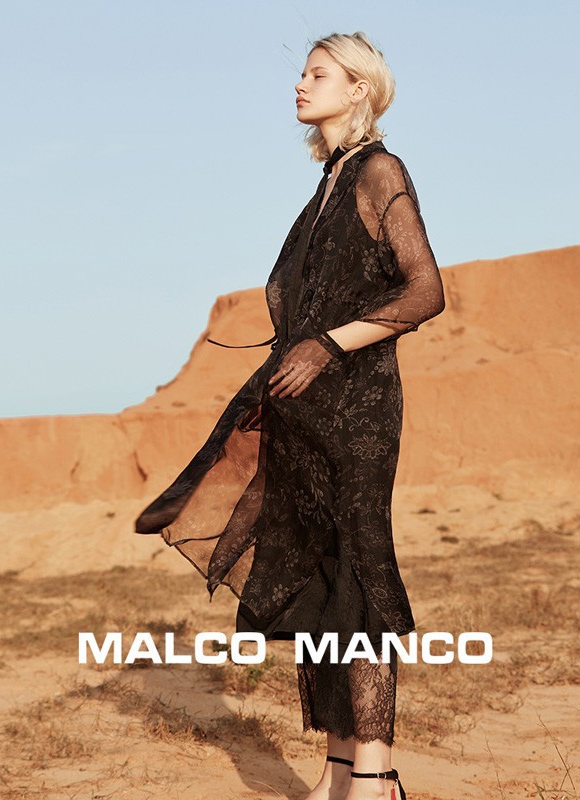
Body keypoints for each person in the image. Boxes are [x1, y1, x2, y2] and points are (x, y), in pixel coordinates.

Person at [135, 30, 445, 800]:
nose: (300, 85)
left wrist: (328, 346)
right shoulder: (329, 181)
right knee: (321, 583)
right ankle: (339, 771)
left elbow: (424, 291)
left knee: (361, 579)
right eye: (302, 74)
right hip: (307, 412)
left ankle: (377, 778)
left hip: (357, 407)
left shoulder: (379, 171)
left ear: (360, 89)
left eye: (318, 74)